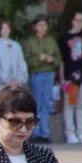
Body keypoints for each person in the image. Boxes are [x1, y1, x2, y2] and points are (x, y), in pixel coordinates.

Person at [21, 15, 61, 143]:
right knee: (36, 103)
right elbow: (27, 59)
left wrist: (51, 60)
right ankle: (35, 132)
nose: (42, 28)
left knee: (47, 103)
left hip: (49, 74)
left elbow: (58, 58)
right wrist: (40, 59)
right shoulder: (30, 41)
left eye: (44, 25)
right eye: (40, 25)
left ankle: (45, 132)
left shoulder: (51, 41)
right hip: (36, 74)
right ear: (35, 27)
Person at [58, 11, 82, 144]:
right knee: (69, 104)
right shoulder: (64, 37)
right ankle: (70, 133)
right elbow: (61, 60)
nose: (79, 23)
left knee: (81, 104)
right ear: (72, 21)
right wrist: (62, 78)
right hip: (70, 76)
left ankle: (81, 132)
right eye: (77, 20)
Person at [0, 19, 27, 93]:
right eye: (3, 28)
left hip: (17, 85)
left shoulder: (16, 45)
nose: (5, 30)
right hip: (1, 86)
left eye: (7, 28)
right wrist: (5, 81)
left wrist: (19, 80)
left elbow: (22, 63)